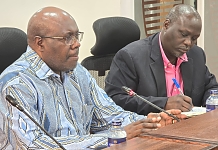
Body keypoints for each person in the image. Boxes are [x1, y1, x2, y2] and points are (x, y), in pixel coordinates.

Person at [0, 7, 186, 150]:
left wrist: (150, 122)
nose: (77, 43)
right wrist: (114, 136)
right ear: (40, 43)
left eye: (77, 35)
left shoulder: (76, 72)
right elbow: (32, 145)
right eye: (67, 38)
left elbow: (109, 116)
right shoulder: (16, 84)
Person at [105, 4, 218, 116]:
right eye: (183, 34)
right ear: (166, 25)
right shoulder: (130, 56)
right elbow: (115, 100)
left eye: (194, 38)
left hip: (189, 129)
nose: (188, 43)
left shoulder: (196, 54)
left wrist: (212, 103)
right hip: (150, 129)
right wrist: (164, 104)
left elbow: (211, 88)